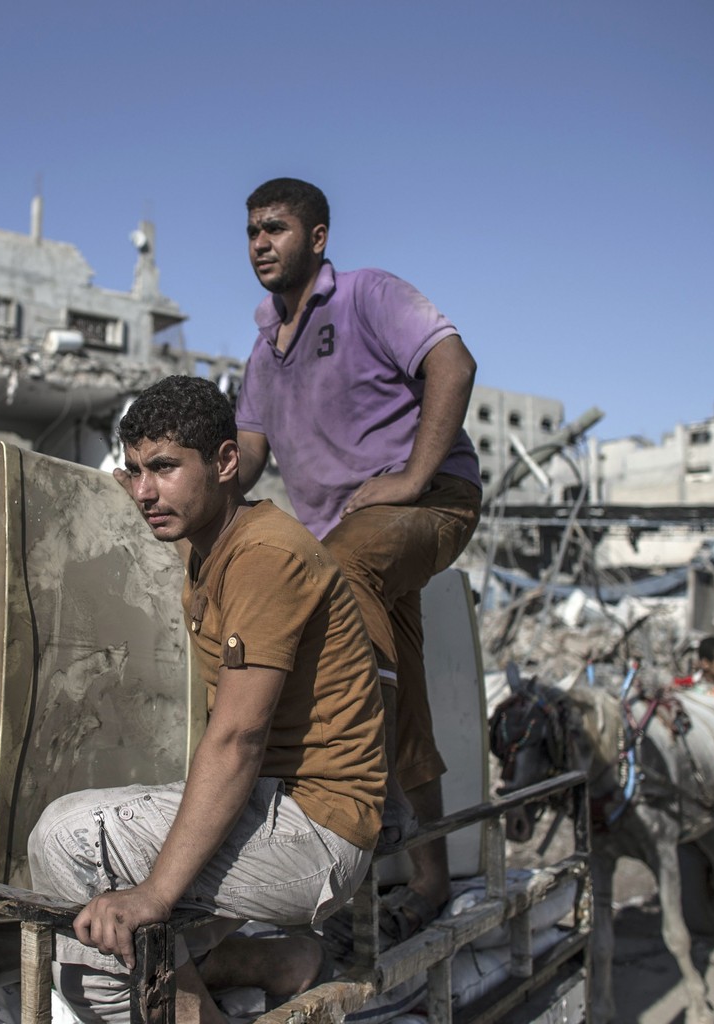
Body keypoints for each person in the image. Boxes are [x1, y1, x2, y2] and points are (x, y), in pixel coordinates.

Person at [28, 375, 386, 1024]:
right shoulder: (214, 548)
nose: (143, 491)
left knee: (65, 840)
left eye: (163, 468)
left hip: (318, 833)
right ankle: (275, 965)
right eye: (133, 470)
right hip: (277, 807)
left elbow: (238, 739)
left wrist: (155, 894)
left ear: (226, 463)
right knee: (124, 914)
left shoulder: (263, 557)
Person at [232, 177, 481, 939]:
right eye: (251, 232)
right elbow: (242, 460)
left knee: (332, 581)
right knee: (405, 696)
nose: (260, 243)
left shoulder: (368, 295)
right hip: (353, 542)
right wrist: (160, 484)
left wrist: (409, 476)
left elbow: (455, 364)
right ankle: (433, 879)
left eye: (275, 228)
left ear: (318, 236)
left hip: (429, 502)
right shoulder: (262, 353)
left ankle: (376, 803)